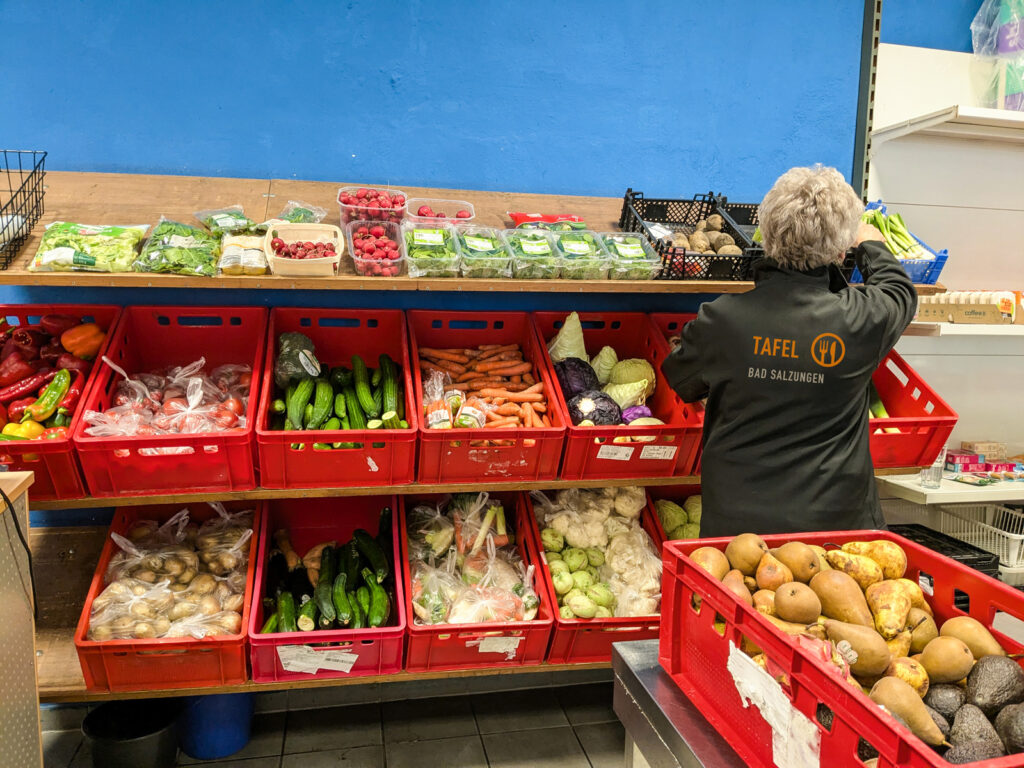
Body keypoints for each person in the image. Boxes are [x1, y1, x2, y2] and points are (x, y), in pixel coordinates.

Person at [661, 165, 916, 537]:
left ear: (766, 237)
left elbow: (680, 378)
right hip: (837, 532)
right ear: (840, 248)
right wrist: (870, 243)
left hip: (739, 535)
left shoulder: (721, 320)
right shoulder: (862, 317)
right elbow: (899, 290)